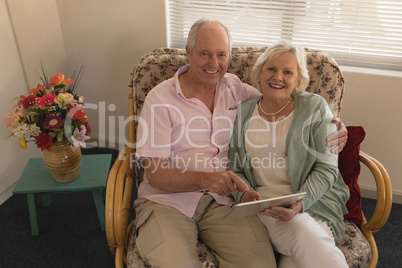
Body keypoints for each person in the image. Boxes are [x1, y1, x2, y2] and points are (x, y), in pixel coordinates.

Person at [134, 18, 347, 267]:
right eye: (205, 53)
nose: (214, 63)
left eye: (221, 54)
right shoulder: (159, 99)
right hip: (167, 202)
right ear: (188, 53)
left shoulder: (235, 89)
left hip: (224, 203)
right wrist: (207, 179)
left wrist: (334, 125)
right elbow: (156, 175)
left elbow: (280, 99)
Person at [228, 40, 350, 268]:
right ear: (260, 72)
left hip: (313, 202)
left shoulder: (314, 107)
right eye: (271, 69)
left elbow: (327, 168)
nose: (278, 77)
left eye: (287, 72)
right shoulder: (244, 112)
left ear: (298, 80)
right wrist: (243, 195)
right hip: (266, 207)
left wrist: (299, 205)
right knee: (303, 234)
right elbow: (235, 167)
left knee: (294, 256)